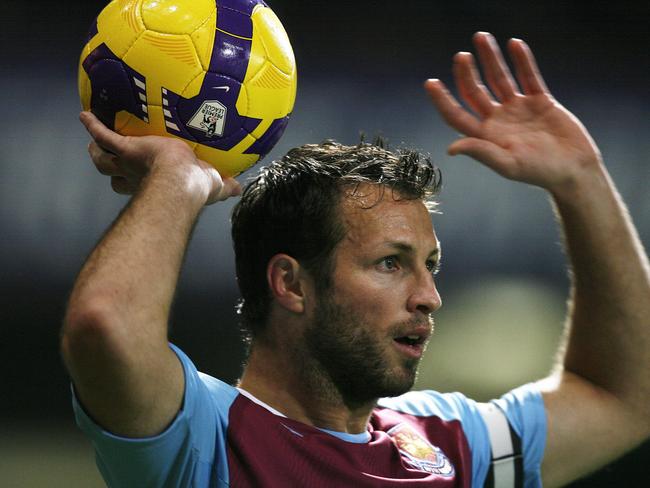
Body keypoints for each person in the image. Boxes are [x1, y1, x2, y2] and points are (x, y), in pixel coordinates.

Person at [61, 32, 650, 487]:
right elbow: (106, 326)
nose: (429, 296)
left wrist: (582, 183)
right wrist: (177, 179)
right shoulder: (206, 442)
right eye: (391, 263)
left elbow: (627, 396)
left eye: (430, 265)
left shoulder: (453, 446)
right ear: (291, 284)